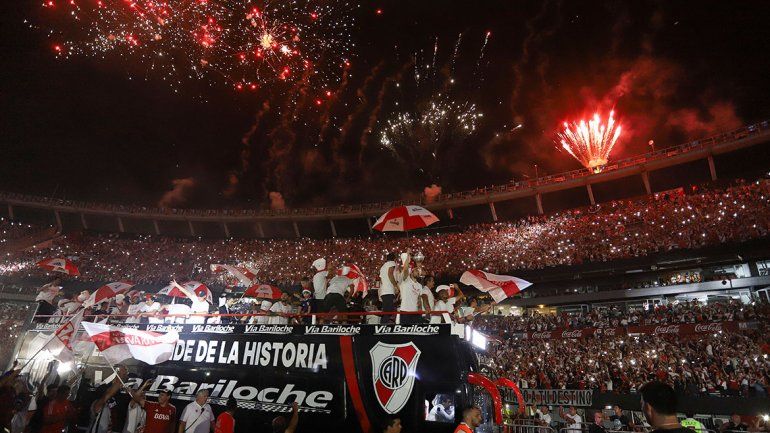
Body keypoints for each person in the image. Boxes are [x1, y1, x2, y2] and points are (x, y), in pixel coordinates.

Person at [87, 367, 125, 433]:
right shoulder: (98, 403)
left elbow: (112, 388)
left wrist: (117, 375)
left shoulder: (105, 403)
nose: (109, 390)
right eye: (107, 390)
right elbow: (111, 391)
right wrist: (121, 374)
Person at [379, 253, 399, 324]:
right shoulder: (392, 263)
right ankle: (382, 327)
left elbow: (381, 280)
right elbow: (390, 274)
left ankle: (382, 326)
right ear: (394, 258)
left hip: (384, 291)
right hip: (388, 291)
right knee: (389, 311)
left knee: (386, 311)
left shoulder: (383, 266)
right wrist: (396, 286)